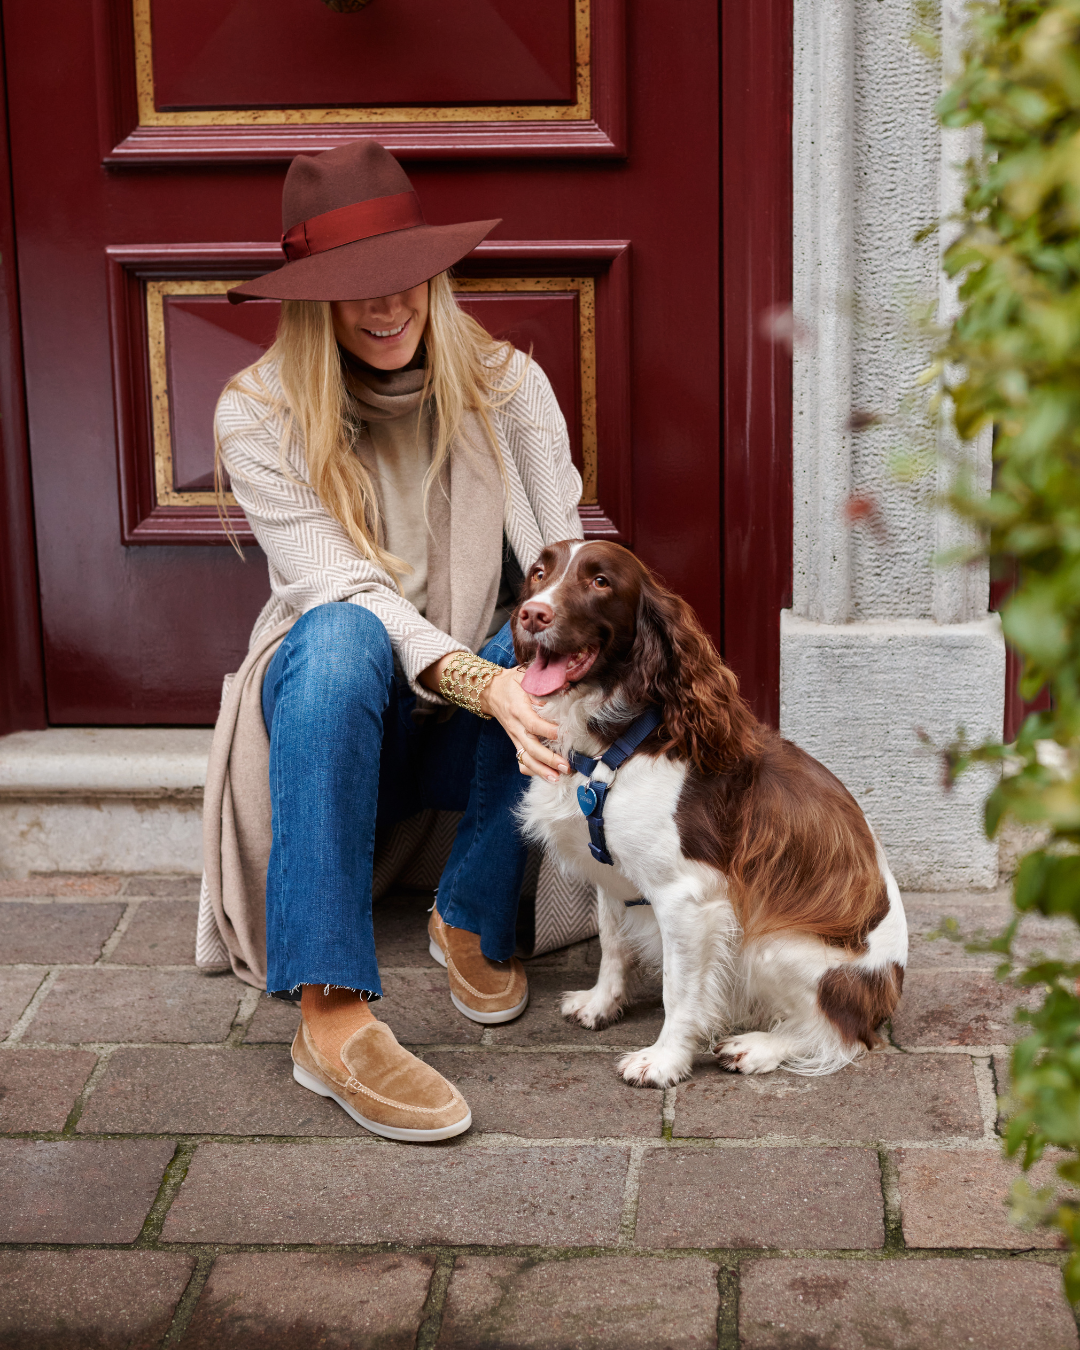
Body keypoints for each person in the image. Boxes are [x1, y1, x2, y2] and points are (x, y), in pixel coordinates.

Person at [215, 139, 582, 1141]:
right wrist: (481, 682)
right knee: (335, 636)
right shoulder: (258, 415)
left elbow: (562, 557)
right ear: (310, 300)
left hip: (474, 735)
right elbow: (343, 587)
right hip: (337, 716)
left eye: (405, 282)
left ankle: (469, 909)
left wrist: (542, 665)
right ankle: (331, 1020)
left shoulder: (507, 388)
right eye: (353, 290)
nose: (386, 309)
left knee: (549, 635)